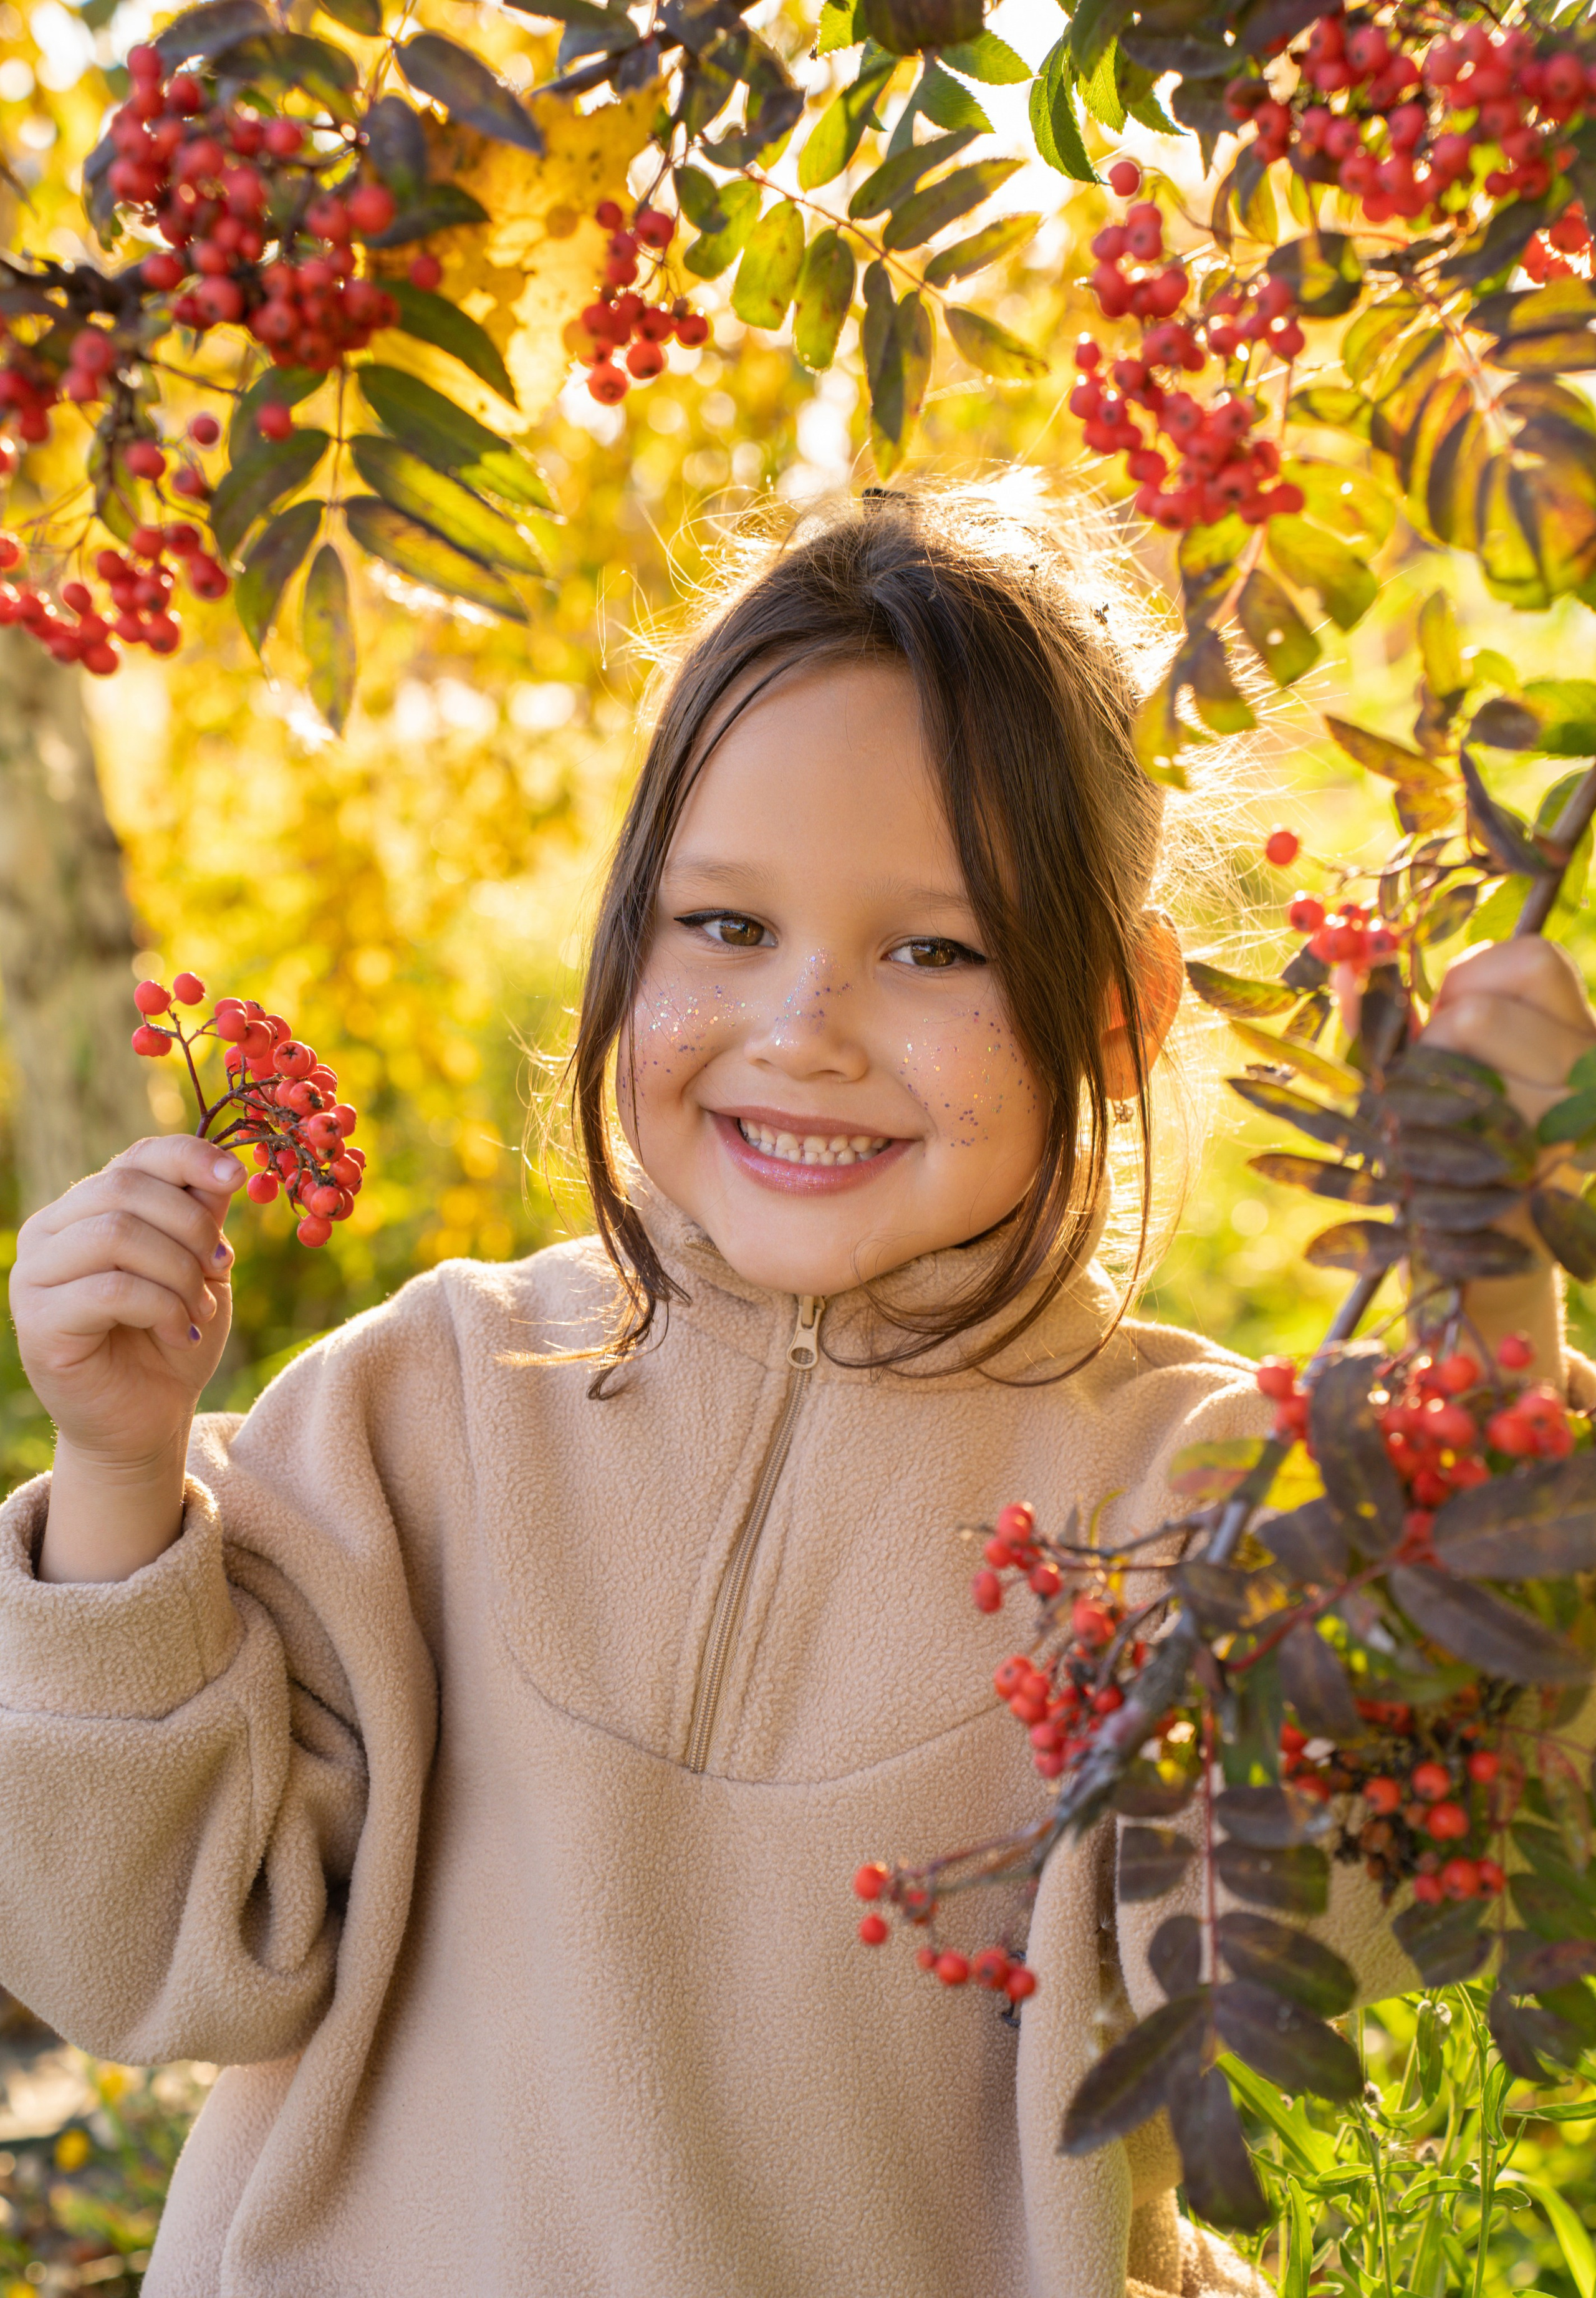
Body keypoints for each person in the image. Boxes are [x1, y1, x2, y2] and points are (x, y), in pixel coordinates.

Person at [6, 491, 1594, 2298]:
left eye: (937, 949)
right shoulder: (418, 1415)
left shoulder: (1186, 1501)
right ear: (628, 934)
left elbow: (1384, 1883)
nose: (807, 1025)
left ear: (1118, 1009)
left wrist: (1490, 1286)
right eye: (725, 926)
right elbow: (146, 1963)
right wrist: (120, 1476)